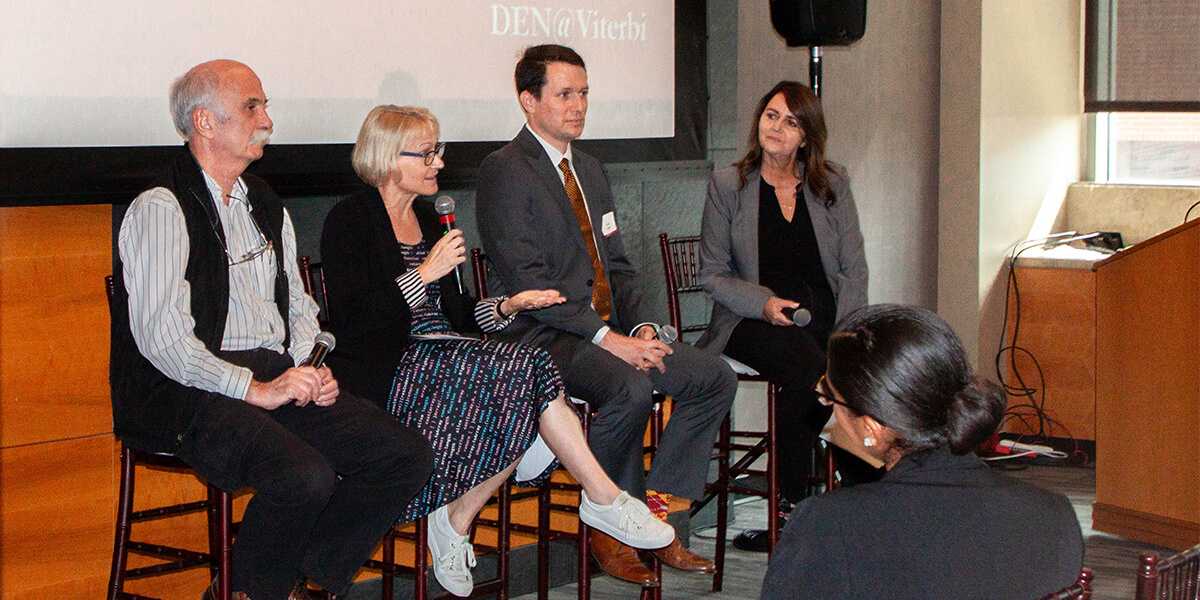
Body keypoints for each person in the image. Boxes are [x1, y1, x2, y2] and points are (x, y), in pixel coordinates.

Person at [110, 61, 435, 600]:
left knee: (403, 455)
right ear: (204, 122)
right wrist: (253, 389)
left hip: (270, 372)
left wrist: (310, 365)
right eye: (251, 107)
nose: (267, 120)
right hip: (186, 387)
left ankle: (292, 582)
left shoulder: (263, 200)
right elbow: (164, 341)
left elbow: (298, 304)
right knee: (304, 475)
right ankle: (246, 592)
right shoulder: (162, 206)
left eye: (264, 106)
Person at [320, 105, 675, 597]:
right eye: (426, 153)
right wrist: (423, 274)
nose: (438, 163)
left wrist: (509, 305)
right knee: (526, 375)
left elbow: (460, 315)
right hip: (392, 367)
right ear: (386, 156)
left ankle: (463, 518)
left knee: (523, 380)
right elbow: (354, 324)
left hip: (449, 355)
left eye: (437, 151)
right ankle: (600, 497)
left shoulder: (428, 217)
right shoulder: (349, 220)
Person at [475, 43, 737, 586]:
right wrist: (606, 338)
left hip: (607, 330)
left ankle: (656, 516)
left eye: (584, 93)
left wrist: (637, 326)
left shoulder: (590, 169)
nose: (579, 106)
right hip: (540, 334)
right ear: (528, 100)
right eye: (564, 94)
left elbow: (617, 264)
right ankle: (608, 524)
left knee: (712, 376)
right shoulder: (504, 171)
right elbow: (529, 281)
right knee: (630, 388)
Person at [760, 304, 1084, 600]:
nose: (828, 408)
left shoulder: (828, 524)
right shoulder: (1054, 515)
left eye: (830, 395)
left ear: (873, 427)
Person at [697, 80, 874, 550]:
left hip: (823, 320)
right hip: (749, 320)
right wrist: (764, 304)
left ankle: (811, 508)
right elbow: (712, 275)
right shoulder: (728, 185)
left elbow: (854, 270)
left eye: (791, 121)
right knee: (812, 374)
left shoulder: (832, 184)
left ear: (806, 136)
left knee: (851, 370)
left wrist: (846, 334)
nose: (776, 127)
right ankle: (799, 506)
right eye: (771, 115)